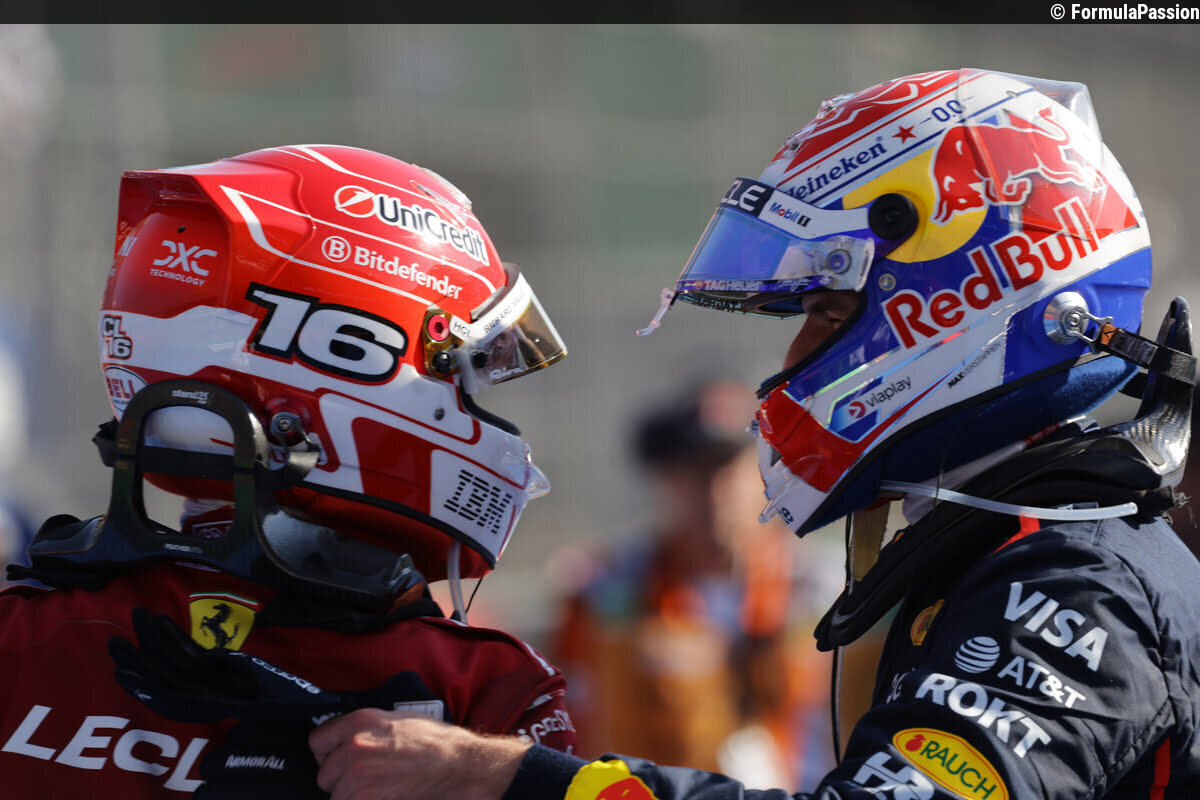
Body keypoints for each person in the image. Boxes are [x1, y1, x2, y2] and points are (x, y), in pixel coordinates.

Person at [301, 69, 1200, 799]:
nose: (796, 358)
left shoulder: (1074, 581)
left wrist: (502, 779)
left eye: (828, 311)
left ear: (963, 299)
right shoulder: (1014, 544)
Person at [0, 144, 576, 796]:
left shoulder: (29, 633)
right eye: (466, 372)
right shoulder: (479, 691)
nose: (476, 408)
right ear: (347, 349)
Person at [551, 380, 834, 787]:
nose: (716, 491)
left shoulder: (825, 588)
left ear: (768, 475)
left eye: (729, 468)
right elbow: (572, 728)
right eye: (696, 471)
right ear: (665, 479)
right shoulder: (605, 591)